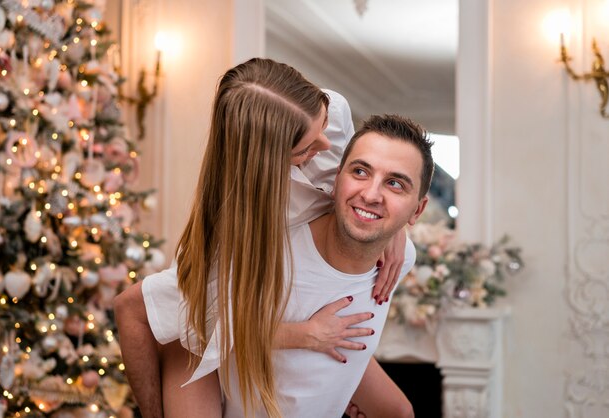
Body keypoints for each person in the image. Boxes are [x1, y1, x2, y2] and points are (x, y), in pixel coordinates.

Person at [114, 58, 410, 417]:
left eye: (324, 123)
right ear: (269, 162)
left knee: (398, 410)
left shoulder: (331, 111)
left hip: (297, 298)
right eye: (304, 149)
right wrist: (307, 334)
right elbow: (202, 326)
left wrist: (394, 225)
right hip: (209, 340)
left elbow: (361, 183)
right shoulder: (233, 238)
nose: (325, 143)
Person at [216, 113, 432, 417]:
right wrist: (307, 335)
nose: (371, 195)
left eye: (395, 184)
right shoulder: (271, 248)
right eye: (360, 171)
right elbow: (200, 329)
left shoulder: (400, 258)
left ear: (417, 210)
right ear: (336, 178)